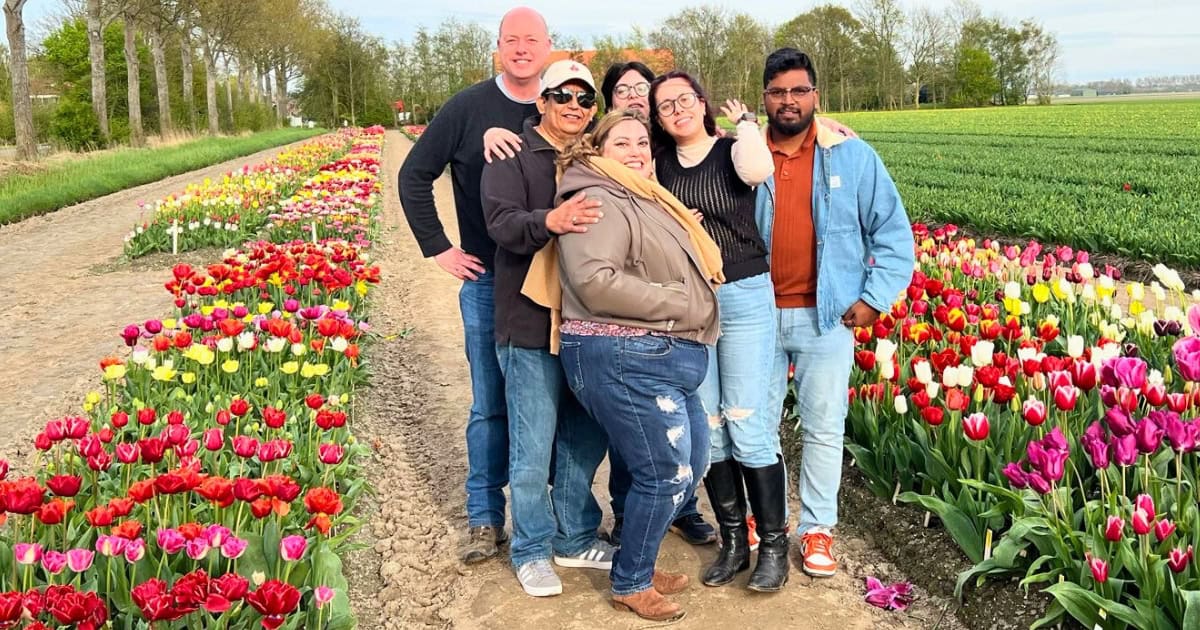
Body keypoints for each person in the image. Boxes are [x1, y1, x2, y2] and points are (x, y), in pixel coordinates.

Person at [531, 108, 723, 622]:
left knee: (689, 465)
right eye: (622, 143)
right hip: (622, 356)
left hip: (664, 356)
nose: (636, 151)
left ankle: (637, 560)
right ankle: (631, 581)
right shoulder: (596, 198)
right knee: (664, 472)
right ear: (598, 150)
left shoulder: (643, 196)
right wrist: (680, 302)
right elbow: (594, 282)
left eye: (642, 142)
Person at [397, 6, 551, 565]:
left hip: (554, 282)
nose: (521, 49)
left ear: (548, 47)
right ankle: (485, 517)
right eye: (512, 40)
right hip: (488, 279)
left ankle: (548, 515)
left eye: (531, 40)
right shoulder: (466, 107)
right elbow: (414, 175)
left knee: (550, 405)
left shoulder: (562, 103)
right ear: (499, 48)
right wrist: (439, 247)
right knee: (490, 403)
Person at [756, 48, 914, 578]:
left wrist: (873, 298)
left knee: (823, 427)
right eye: (778, 92)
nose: (789, 101)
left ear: (815, 95)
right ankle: (766, 519)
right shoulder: (745, 155)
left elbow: (893, 235)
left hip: (825, 318)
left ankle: (817, 528)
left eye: (799, 91)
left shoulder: (853, 157)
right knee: (756, 424)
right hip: (755, 316)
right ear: (764, 98)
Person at [650, 70, 791, 592]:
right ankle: (733, 542)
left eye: (684, 99)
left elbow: (758, 170)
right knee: (708, 427)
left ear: (701, 101)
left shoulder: (732, 149)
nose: (678, 110)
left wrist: (748, 124)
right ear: (658, 118)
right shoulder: (659, 164)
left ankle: (772, 546)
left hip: (744, 294)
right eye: (666, 106)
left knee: (747, 423)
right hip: (691, 299)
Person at [480, 59, 614, 598]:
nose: (575, 107)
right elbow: (500, 223)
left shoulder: (595, 158)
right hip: (530, 321)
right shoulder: (512, 153)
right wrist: (549, 221)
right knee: (532, 444)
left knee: (585, 437)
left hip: (588, 323)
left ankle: (574, 535)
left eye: (585, 99)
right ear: (542, 101)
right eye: (563, 96)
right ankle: (531, 548)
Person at [596, 60, 716, 549]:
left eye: (641, 88)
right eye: (622, 89)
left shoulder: (663, 148)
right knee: (636, 430)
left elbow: (717, 140)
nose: (633, 96)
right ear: (609, 102)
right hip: (631, 315)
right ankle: (628, 514)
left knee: (681, 428)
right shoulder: (608, 160)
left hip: (675, 318)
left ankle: (683, 508)